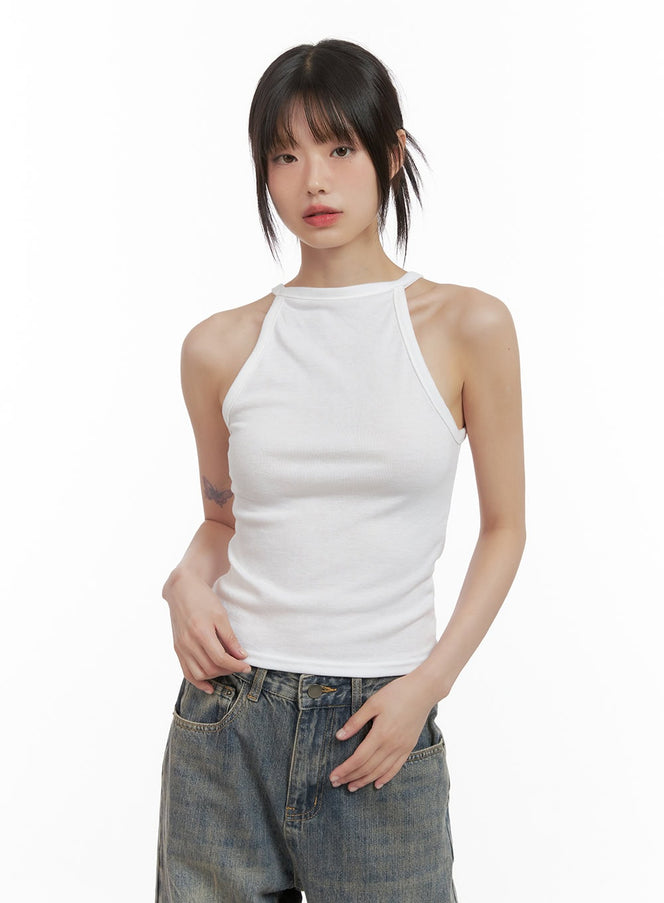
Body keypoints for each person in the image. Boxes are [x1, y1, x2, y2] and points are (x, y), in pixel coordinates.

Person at [155, 38, 526, 903]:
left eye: (338, 147)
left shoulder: (468, 327)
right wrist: (183, 584)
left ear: (390, 154)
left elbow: (506, 528)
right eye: (285, 156)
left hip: (379, 723)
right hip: (226, 717)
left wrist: (426, 686)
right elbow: (222, 520)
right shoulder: (219, 346)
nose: (313, 181)